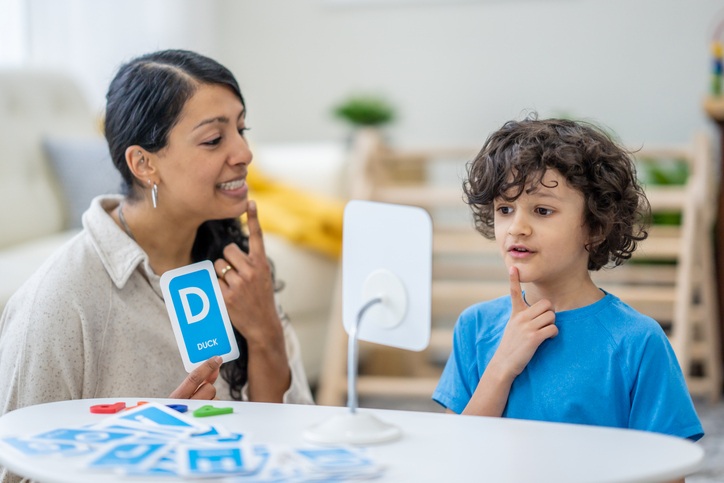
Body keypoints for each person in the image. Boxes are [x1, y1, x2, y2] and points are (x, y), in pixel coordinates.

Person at [0, 49, 314, 419]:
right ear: (144, 164)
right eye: (214, 139)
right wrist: (153, 436)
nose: (244, 152)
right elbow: (17, 470)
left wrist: (265, 336)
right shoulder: (62, 299)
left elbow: (290, 436)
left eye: (241, 130)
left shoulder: (237, 268)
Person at [432, 117, 704, 445]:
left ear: (596, 227)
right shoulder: (475, 327)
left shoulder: (638, 342)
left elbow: (667, 471)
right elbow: (454, 455)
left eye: (542, 211)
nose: (517, 227)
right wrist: (502, 366)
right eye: (505, 209)